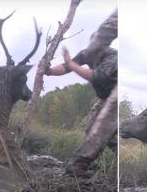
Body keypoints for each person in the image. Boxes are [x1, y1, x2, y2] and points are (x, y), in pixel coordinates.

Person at [45, 9, 117, 175]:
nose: (93, 56)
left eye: (98, 52)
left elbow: (94, 77)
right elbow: (65, 68)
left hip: (114, 96)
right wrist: (48, 71)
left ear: (105, 48)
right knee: (92, 129)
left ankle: (106, 167)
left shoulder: (113, 57)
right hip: (103, 98)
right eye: (92, 51)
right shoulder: (88, 53)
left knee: (103, 131)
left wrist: (70, 63)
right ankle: (99, 165)